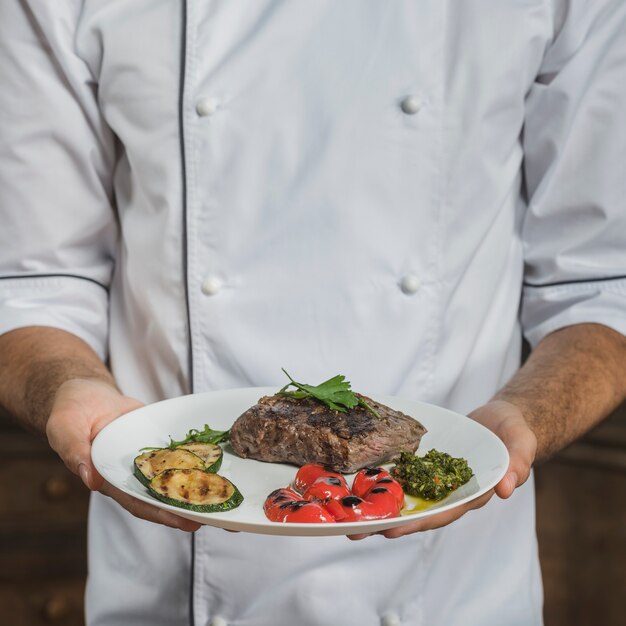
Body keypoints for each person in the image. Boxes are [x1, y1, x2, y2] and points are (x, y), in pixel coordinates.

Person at [1, 1, 625, 625]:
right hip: (170, 573)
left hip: (450, 586)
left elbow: (601, 283)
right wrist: (69, 386)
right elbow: (31, 279)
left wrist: (523, 420)